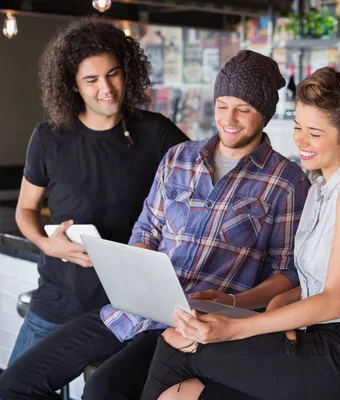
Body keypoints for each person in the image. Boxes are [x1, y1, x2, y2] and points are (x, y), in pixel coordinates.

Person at [0, 50, 310, 399]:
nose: (230, 119)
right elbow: (146, 230)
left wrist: (236, 304)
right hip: (132, 310)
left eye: (244, 109)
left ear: (265, 114)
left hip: (195, 325)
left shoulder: (288, 182)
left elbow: (286, 272)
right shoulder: (179, 158)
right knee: (14, 384)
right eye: (222, 105)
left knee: (102, 391)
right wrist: (142, 270)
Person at [140, 66, 340, 400]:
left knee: (177, 344)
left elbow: (336, 301)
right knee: (182, 395)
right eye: (298, 127)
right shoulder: (320, 188)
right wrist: (236, 303)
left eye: (314, 133)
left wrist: (236, 329)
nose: (300, 140)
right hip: (319, 336)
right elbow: (310, 285)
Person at [6, 17, 188, 365]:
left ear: (126, 71)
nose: (106, 88)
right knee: (13, 388)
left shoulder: (156, 133)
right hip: (59, 299)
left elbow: (202, 191)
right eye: (91, 80)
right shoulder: (48, 138)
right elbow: (25, 210)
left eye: (113, 73)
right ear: (73, 85)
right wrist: (46, 243)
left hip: (127, 311)